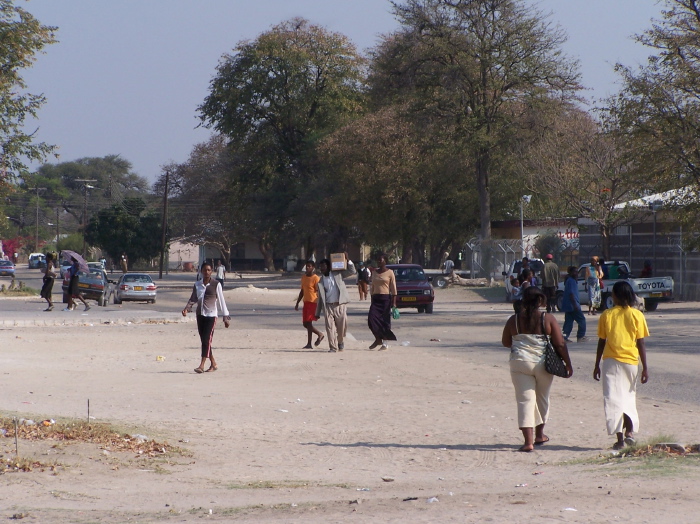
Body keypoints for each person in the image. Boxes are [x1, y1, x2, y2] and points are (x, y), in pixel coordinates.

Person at [502, 286, 573, 452]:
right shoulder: (547, 318)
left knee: (525, 400)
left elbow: (506, 342)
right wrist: (567, 364)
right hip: (543, 364)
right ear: (541, 301)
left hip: (520, 362)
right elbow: (560, 343)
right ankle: (540, 434)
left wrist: (522, 344)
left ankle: (528, 442)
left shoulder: (514, 320)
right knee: (542, 397)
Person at [593, 281, 649, 450]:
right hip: (631, 361)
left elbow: (602, 342)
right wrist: (645, 367)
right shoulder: (637, 315)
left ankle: (620, 439)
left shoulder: (607, 315)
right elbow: (641, 343)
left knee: (613, 399)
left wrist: (596, 364)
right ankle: (630, 432)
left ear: (616, 296)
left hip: (611, 362)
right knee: (628, 397)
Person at [182, 261, 230, 373]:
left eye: (209, 270)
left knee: (206, 339)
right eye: (204, 270)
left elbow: (222, 301)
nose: (207, 272)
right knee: (205, 341)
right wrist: (186, 308)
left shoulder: (216, 284)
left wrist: (226, 317)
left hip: (211, 315)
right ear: (201, 271)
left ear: (211, 271)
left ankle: (202, 365)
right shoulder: (197, 284)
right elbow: (193, 298)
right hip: (200, 315)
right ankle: (213, 363)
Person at [315, 254, 356, 353]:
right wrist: (317, 313)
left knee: (342, 327)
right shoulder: (320, 281)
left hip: (339, 304)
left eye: (323, 266)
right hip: (328, 306)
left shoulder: (338, 274)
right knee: (329, 328)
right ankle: (333, 347)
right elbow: (320, 298)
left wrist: (348, 260)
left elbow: (352, 271)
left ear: (328, 266)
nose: (322, 269)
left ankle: (340, 341)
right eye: (320, 267)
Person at [368, 253, 397, 350]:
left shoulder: (390, 272)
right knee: (371, 320)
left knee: (384, 321)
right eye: (378, 260)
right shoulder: (374, 272)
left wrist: (394, 304)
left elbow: (393, 289)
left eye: (381, 260)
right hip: (376, 299)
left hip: (385, 299)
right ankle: (378, 339)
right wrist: (372, 300)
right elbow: (372, 287)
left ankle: (385, 342)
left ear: (385, 261)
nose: (379, 262)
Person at [295, 260, 324, 349]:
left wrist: (320, 305)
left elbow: (319, 291)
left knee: (309, 323)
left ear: (313, 267)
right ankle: (320, 334)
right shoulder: (303, 277)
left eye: (309, 266)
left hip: (313, 302)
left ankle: (309, 343)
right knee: (305, 324)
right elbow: (302, 291)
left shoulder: (316, 278)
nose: (307, 268)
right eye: (307, 266)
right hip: (306, 302)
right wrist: (297, 303)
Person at [561, 265, 586, 342]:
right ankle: (581, 336)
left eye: (577, 272)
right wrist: (575, 305)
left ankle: (564, 337)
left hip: (568, 305)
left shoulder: (569, 280)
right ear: (571, 272)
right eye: (575, 272)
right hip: (573, 305)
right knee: (582, 320)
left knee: (568, 322)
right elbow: (571, 294)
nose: (576, 273)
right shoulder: (571, 281)